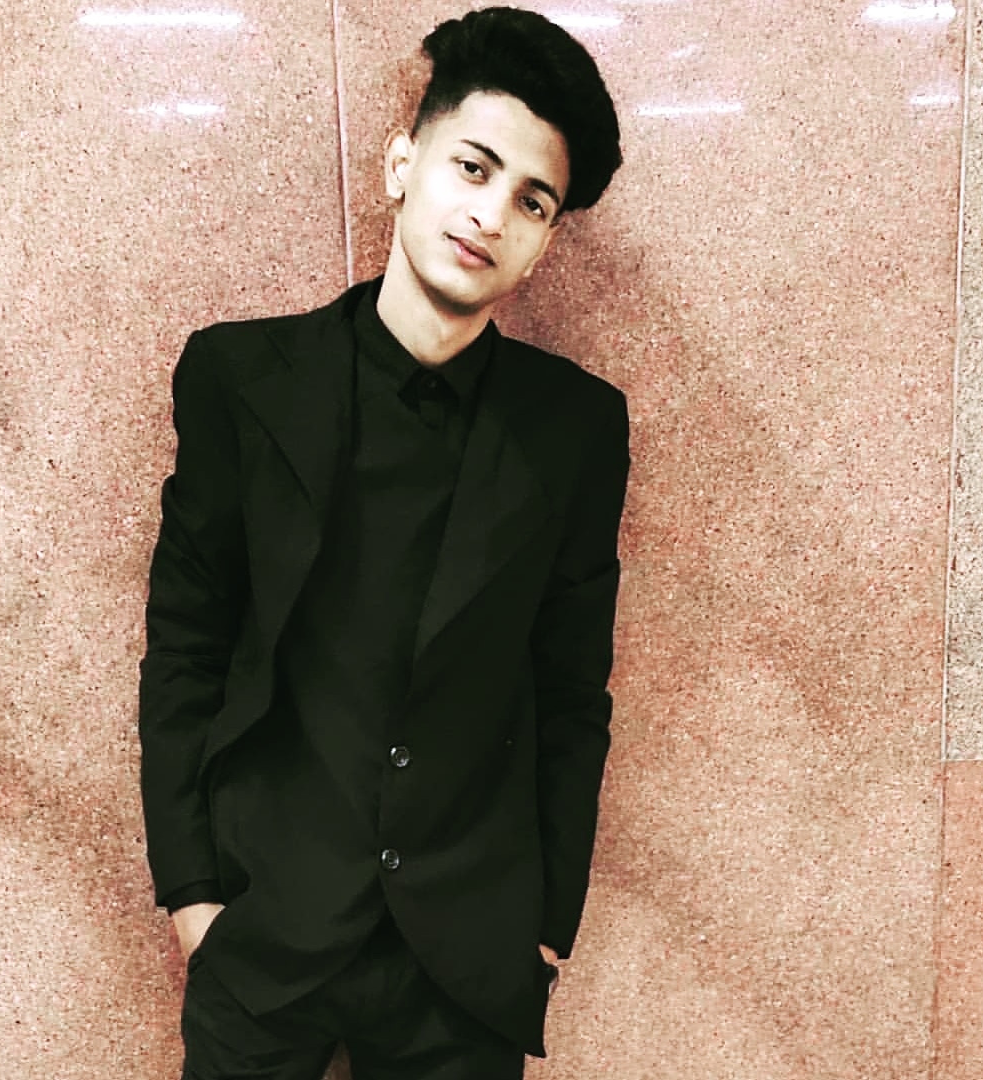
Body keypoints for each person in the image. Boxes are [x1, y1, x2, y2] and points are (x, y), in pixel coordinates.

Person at [138, 7, 628, 1078]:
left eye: (531, 200)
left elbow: (571, 691)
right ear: (403, 165)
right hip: (262, 934)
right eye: (473, 167)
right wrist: (192, 899)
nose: (490, 213)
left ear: (546, 240)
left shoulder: (576, 430)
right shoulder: (239, 379)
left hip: (464, 963)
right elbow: (185, 647)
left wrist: (546, 929)